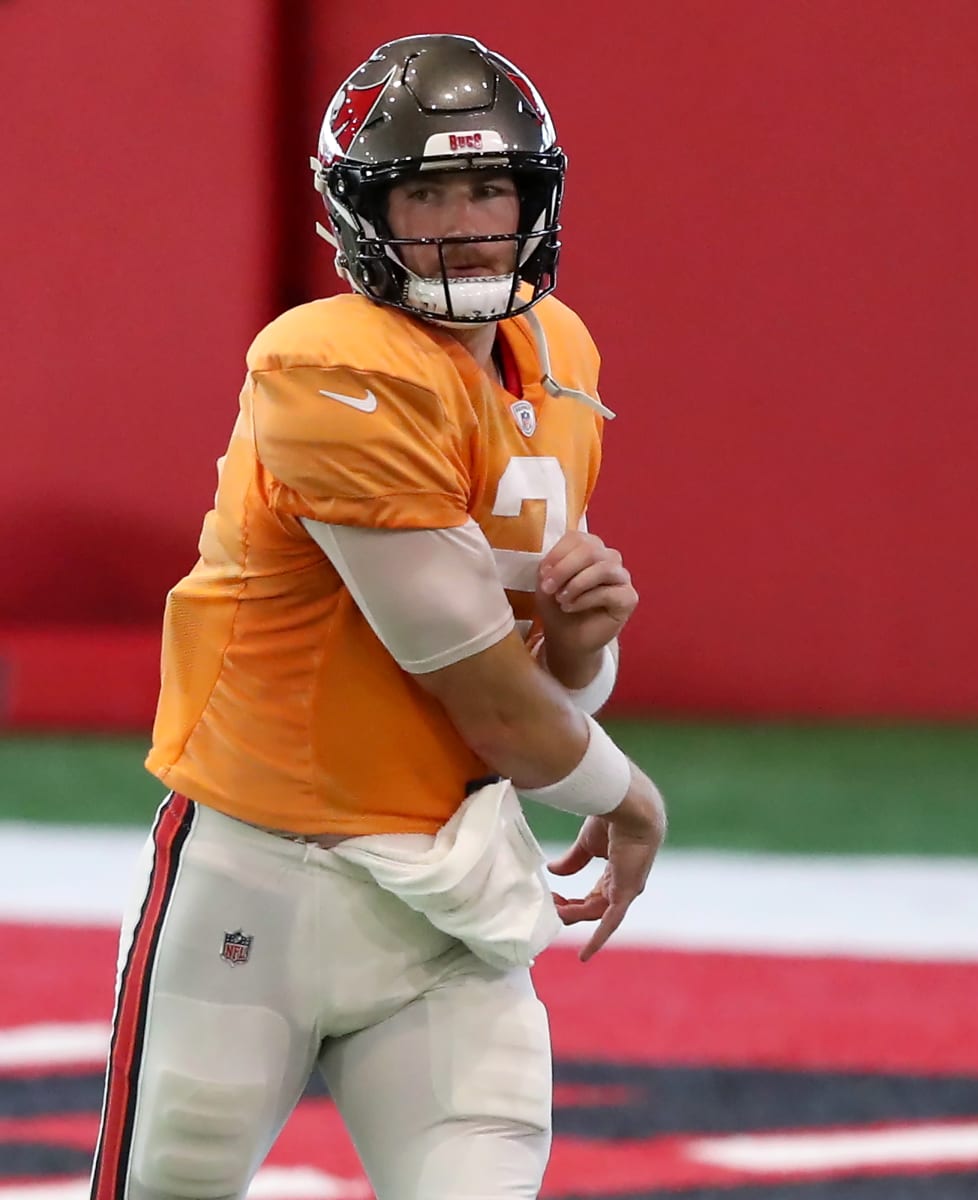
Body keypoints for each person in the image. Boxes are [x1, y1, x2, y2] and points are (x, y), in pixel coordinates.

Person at [88, 34, 666, 1199]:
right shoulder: (328, 364)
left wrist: (583, 641)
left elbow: (532, 680)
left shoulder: (558, 356)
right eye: (427, 192)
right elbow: (477, 688)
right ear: (366, 213)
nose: (464, 222)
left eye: (489, 187)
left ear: (534, 197)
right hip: (264, 871)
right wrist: (628, 793)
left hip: (449, 892)